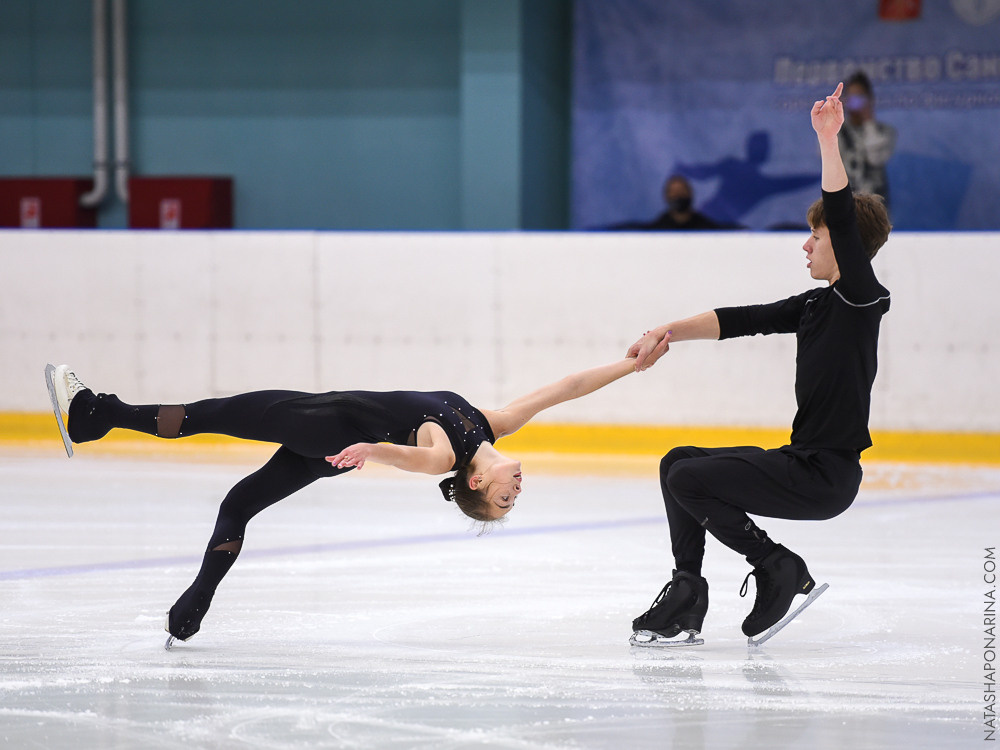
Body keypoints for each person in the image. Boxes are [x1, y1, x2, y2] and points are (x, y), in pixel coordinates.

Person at [47, 357, 637, 645]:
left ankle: (96, 415)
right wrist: (631, 365)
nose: (518, 492)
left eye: (505, 503)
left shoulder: (447, 453)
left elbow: (419, 458)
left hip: (320, 426)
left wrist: (372, 449)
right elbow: (566, 389)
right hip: (327, 447)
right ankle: (193, 606)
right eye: (517, 499)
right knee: (240, 503)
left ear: (478, 486)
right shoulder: (490, 425)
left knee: (209, 416)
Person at [627, 82, 891, 644]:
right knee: (678, 462)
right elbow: (742, 318)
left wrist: (827, 138)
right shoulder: (820, 302)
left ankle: (777, 566)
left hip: (825, 476)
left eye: (814, 236)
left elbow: (843, 214)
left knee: (693, 480)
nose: (806, 246)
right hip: (802, 461)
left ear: (841, 245)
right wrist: (666, 330)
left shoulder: (859, 297)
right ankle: (687, 591)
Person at [838, 71, 896, 208]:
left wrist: (868, 121)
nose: (856, 102)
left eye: (860, 97)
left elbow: (875, 158)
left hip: (876, 206)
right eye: (851, 97)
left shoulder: (885, 132)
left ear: (869, 99)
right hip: (844, 205)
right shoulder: (836, 132)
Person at [646, 174, 722, 230]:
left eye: (682, 191)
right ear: (666, 196)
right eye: (674, 192)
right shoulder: (657, 230)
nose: (678, 195)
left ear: (690, 194)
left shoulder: (707, 228)